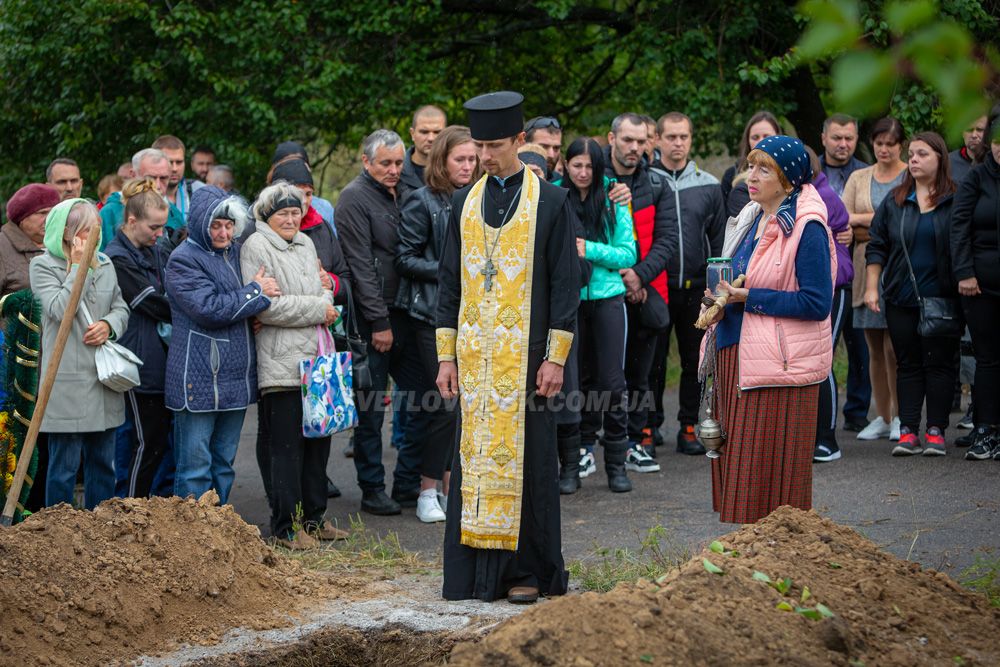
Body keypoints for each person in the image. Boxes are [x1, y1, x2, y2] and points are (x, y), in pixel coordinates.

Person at [436, 91, 578, 604]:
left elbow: (566, 287)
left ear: (520, 140)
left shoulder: (553, 203)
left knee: (532, 465)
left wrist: (555, 358)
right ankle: (474, 576)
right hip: (475, 364)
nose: (484, 156)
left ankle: (528, 573)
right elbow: (448, 284)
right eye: (478, 145)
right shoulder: (462, 203)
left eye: (494, 145)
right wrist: (446, 356)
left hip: (528, 361)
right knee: (472, 462)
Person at [706, 136, 835, 524]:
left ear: (789, 179)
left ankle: (779, 563)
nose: (752, 175)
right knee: (740, 469)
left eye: (765, 169)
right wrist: (716, 302)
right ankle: (750, 562)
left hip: (777, 367)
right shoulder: (750, 217)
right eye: (750, 166)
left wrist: (749, 297)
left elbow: (816, 303)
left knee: (767, 481)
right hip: (737, 352)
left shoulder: (806, 227)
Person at [240, 182, 343, 549]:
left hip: (317, 357)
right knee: (286, 448)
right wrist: (320, 309)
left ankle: (314, 520)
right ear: (267, 216)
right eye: (282, 213)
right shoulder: (256, 245)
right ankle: (286, 527)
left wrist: (323, 300)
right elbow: (266, 308)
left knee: (319, 443)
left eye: (295, 211)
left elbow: (323, 286)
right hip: (281, 362)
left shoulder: (307, 243)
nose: (290, 218)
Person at [165, 186, 278, 503]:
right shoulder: (183, 260)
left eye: (229, 225)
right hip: (197, 380)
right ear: (201, 223)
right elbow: (210, 309)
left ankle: (219, 536)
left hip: (235, 379)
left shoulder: (237, 252)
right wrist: (255, 293)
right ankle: (190, 538)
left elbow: (245, 301)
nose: (224, 232)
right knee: (194, 468)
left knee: (223, 466)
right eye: (216, 225)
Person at [338, 129, 430, 516]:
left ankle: (408, 481)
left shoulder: (407, 190)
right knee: (371, 408)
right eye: (385, 164)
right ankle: (372, 487)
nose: (394, 170)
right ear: (365, 161)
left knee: (426, 398)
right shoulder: (353, 198)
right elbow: (360, 266)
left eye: (398, 163)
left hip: (410, 311)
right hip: (374, 316)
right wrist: (378, 322)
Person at [395, 125, 477, 522]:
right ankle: (426, 491)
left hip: (472, 317)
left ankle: (450, 488)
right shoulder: (421, 201)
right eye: (459, 159)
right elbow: (405, 258)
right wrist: (451, 270)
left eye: (472, 158)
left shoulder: (478, 198)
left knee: (462, 408)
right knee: (445, 404)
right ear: (442, 161)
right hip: (430, 316)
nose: (467, 165)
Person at [30, 199, 130, 509]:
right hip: (66, 383)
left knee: (102, 464)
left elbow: (121, 308)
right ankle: (57, 532)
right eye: (82, 231)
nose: (89, 238)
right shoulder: (42, 265)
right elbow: (59, 309)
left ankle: (102, 529)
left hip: (102, 380)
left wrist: (109, 325)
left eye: (93, 230)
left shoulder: (106, 263)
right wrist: (77, 267)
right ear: (65, 233)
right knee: (64, 467)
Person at [865, 131, 959, 457]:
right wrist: (870, 288)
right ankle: (907, 431)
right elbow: (876, 246)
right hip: (901, 297)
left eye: (923, 154)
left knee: (941, 364)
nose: (914, 159)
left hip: (943, 297)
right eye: (913, 154)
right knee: (907, 363)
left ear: (940, 159)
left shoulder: (955, 198)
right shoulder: (895, 201)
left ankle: (935, 430)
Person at [559, 137, 636, 490]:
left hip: (607, 298)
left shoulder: (615, 197)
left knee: (612, 383)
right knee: (572, 383)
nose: (584, 173)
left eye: (590, 166)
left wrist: (586, 248)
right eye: (577, 165)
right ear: (566, 164)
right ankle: (570, 468)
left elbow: (627, 254)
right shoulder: (556, 195)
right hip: (570, 300)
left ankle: (617, 466)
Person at [648, 111, 726, 457]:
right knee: (652, 360)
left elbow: (719, 238)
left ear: (691, 139)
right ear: (658, 140)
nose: (678, 143)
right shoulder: (646, 180)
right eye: (671, 137)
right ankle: (648, 425)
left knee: (695, 360)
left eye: (684, 137)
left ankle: (690, 425)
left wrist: (716, 289)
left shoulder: (708, 183)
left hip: (696, 289)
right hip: (656, 285)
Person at [603, 112, 670, 465]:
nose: (635, 148)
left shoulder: (658, 184)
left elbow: (667, 240)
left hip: (644, 292)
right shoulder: (590, 179)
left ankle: (635, 442)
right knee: (598, 374)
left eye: (641, 141)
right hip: (601, 293)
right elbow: (585, 237)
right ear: (611, 139)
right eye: (627, 140)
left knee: (639, 376)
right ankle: (587, 446)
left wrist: (639, 276)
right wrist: (621, 275)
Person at [104, 178, 173, 498]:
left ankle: (142, 508)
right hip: (138, 361)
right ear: (132, 221)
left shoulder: (153, 249)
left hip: (158, 359)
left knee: (156, 442)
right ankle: (128, 508)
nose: (160, 233)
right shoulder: (116, 257)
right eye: (154, 227)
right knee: (144, 443)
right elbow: (153, 303)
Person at [842, 117, 908, 443]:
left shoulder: (911, 174)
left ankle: (900, 415)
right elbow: (843, 222)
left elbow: (907, 221)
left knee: (896, 348)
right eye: (879, 143)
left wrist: (864, 222)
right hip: (864, 265)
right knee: (873, 349)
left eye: (890, 144)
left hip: (900, 266)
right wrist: (873, 222)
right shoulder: (859, 177)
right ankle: (881, 416)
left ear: (901, 146)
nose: (883, 149)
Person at [951, 108, 1000, 460]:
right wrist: (965, 272)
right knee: (988, 359)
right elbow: (959, 227)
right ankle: (985, 429)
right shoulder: (976, 177)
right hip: (980, 284)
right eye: (997, 143)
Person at [821, 113, 872, 435]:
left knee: (861, 347)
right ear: (824, 137)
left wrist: (852, 225)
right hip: (826, 274)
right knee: (826, 345)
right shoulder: (814, 174)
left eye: (849, 138)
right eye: (837, 137)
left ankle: (857, 411)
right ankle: (823, 414)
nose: (843, 144)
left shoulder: (865, 173)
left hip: (860, 272)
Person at [803, 147, 855, 462]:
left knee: (823, 361)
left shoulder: (822, 196)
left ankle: (827, 439)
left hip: (834, 287)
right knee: (810, 361)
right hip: (810, 288)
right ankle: (810, 434)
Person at [100, 149, 184, 251]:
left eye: (163, 178)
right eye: (150, 178)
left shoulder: (174, 214)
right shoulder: (109, 213)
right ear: (133, 174)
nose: (157, 186)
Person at [2, 184, 60, 296]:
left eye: (53, 212)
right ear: (22, 218)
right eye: (43, 213)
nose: (50, 218)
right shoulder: (2, 247)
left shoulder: (65, 243)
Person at [725, 112, 782, 216]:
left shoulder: (790, 172)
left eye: (766, 136)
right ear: (748, 140)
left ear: (778, 136)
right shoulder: (733, 176)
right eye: (755, 137)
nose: (761, 142)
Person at [152, 134, 201, 221]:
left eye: (179, 162)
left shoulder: (199, 191)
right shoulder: (141, 196)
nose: (175, 169)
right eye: (170, 162)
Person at [401, 105, 447, 193]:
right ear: (412, 134)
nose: (431, 138)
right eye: (424, 132)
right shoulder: (396, 171)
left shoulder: (457, 170)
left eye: (437, 132)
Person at [949, 115, 988, 184]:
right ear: (962, 133)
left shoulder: (995, 161)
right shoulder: (948, 162)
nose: (974, 135)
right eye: (969, 130)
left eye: (979, 130)